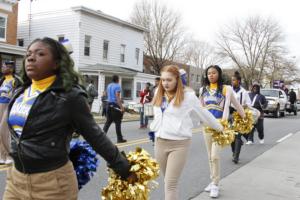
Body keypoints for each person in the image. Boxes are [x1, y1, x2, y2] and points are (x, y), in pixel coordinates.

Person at [2, 37, 135, 200]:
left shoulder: (69, 96)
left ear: (56, 63)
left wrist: (123, 167)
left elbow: (95, 136)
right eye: (28, 54)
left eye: (40, 53)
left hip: (52, 185)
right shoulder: (20, 92)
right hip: (16, 180)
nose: (30, 57)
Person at [150, 65, 224, 200]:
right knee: (168, 181)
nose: (165, 83)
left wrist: (220, 128)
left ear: (177, 80)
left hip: (179, 145)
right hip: (160, 143)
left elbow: (204, 114)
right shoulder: (158, 93)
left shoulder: (188, 96)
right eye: (163, 80)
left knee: (171, 184)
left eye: (169, 80)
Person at [199, 65, 245, 198]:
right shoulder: (203, 90)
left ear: (218, 74)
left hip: (220, 126)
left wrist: (246, 117)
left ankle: (215, 184)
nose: (211, 75)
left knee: (215, 156)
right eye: (208, 73)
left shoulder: (226, 89)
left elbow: (237, 105)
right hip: (207, 127)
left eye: (213, 73)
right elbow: (199, 108)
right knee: (209, 156)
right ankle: (213, 180)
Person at [0, 61, 22, 165]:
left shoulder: (16, 81)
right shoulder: (2, 80)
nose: (2, 68)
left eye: (4, 66)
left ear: (11, 68)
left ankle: (9, 156)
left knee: (5, 131)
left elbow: (18, 95)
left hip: (8, 106)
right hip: (0, 106)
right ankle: (2, 156)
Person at [230, 71, 251, 164]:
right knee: (231, 136)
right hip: (230, 115)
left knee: (238, 135)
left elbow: (249, 104)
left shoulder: (244, 92)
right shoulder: (229, 90)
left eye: (234, 80)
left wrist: (244, 106)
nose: (232, 82)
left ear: (238, 81)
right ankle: (234, 152)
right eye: (232, 80)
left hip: (239, 115)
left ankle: (236, 156)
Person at [103, 75, 127, 143]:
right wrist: (122, 108)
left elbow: (105, 94)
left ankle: (101, 138)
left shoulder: (109, 85)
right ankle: (119, 139)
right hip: (115, 106)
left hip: (108, 105)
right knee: (118, 122)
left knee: (108, 122)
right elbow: (117, 97)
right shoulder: (117, 86)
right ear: (117, 79)